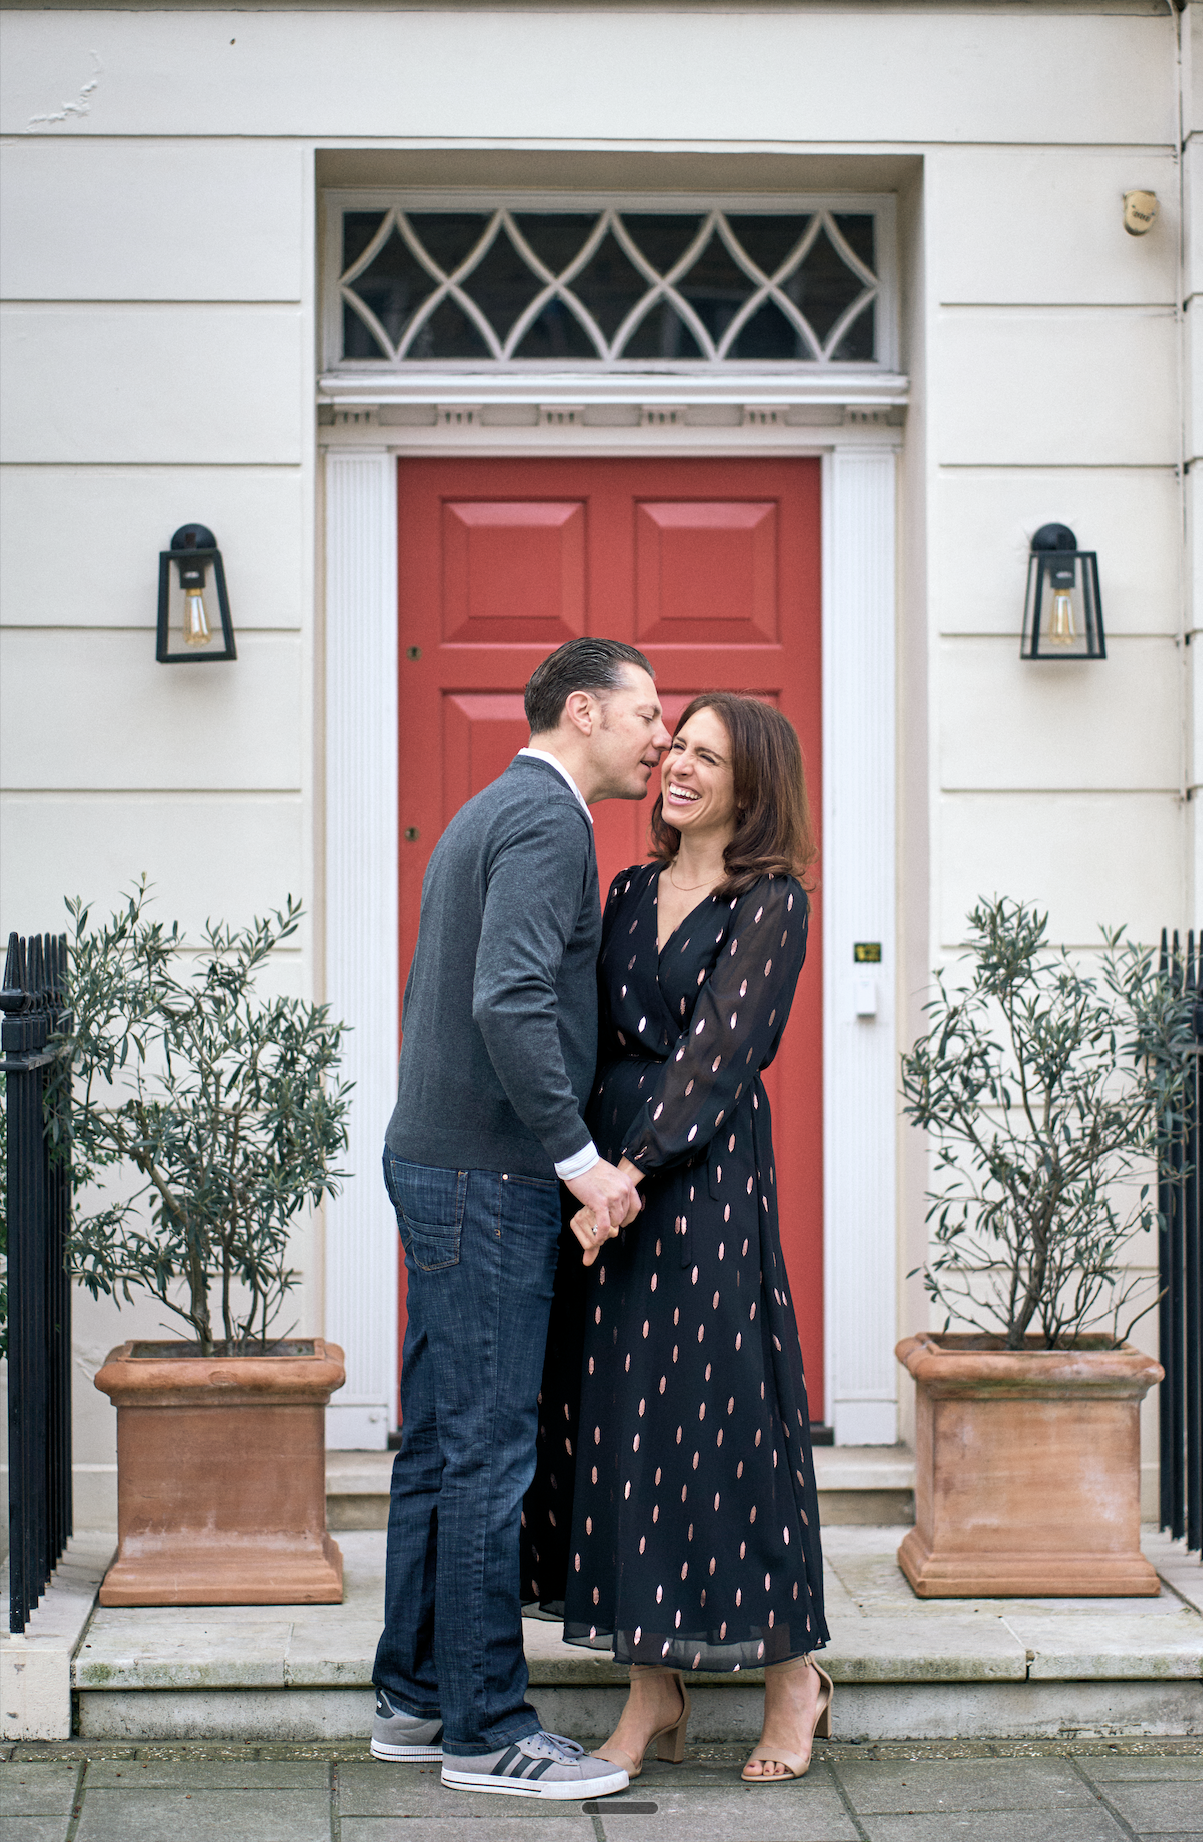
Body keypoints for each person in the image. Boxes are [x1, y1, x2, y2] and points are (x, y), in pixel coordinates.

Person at [372, 637, 670, 1801]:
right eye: (646, 714)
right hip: (487, 1178)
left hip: (439, 1162)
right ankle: (487, 1729)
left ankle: (416, 1695)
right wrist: (581, 1161)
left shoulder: (491, 807)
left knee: (444, 1444)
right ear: (584, 710)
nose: (660, 736)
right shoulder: (548, 824)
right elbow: (505, 998)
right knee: (488, 1451)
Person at [523, 692, 832, 1786]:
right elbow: (580, 1030)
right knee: (615, 1420)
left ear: (752, 783)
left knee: (726, 1414)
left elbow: (720, 1052)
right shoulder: (627, 886)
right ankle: (651, 1690)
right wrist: (578, 1166)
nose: (679, 767)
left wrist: (630, 1177)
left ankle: (791, 1671)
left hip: (690, 1181)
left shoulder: (773, 901)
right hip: (606, 1175)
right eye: (678, 749)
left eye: (705, 754)